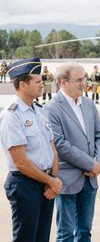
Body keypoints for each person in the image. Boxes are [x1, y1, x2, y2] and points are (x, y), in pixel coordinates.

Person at [0, 58, 62, 242]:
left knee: (42, 238)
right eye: (37, 81)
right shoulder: (11, 116)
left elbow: (53, 150)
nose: (42, 85)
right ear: (22, 84)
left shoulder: (40, 110)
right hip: (24, 184)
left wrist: (53, 180)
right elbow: (20, 161)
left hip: (45, 182)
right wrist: (51, 181)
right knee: (26, 238)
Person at [44, 62, 100, 242]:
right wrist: (90, 163)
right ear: (63, 82)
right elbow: (60, 144)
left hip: (90, 178)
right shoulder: (52, 108)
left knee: (85, 231)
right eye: (79, 80)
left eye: (84, 78)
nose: (83, 83)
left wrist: (98, 164)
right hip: (67, 180)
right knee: (66, 233)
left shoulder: (88, 103)